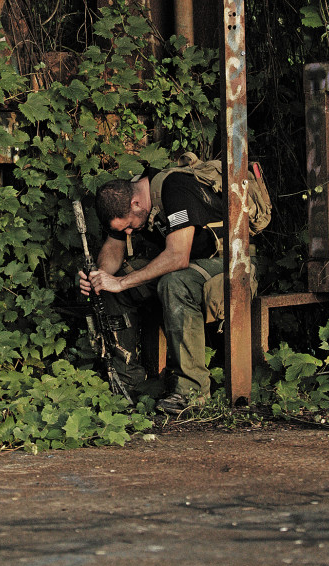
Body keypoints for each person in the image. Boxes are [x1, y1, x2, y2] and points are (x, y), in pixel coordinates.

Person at [79, 167, 228, 413]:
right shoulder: (126, 198)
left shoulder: (175, 188)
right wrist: (101, 278)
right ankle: (128, 384)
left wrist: (121, 282)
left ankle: (192, 393)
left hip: (230, 263)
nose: (129, 233)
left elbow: (178, 256)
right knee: (110, 288)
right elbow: (114, 248)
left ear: (136, 203)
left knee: (175, 283)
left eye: (129, 226)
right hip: (187, 264)